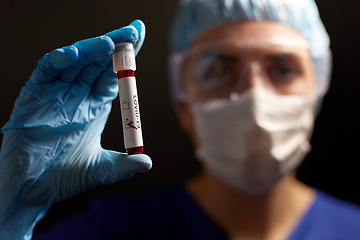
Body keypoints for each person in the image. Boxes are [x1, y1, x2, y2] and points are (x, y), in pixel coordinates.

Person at [1, 0, 360, 239]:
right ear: (184, 105)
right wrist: (11, 224)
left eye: (283, 68)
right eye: (219, 71)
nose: (255, 97)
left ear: (316, 92)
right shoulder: (109, 231)